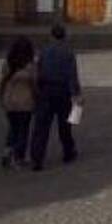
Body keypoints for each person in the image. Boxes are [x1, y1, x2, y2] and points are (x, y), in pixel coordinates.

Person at [30, 23, 82, 170]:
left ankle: (37, 158)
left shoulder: (43, 51)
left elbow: (37, 72)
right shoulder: (68, 53)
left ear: (51, 36)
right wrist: (76, 94)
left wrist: (36, 90)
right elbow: (72, 75)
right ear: (64, 36)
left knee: (41, 126)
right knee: (65, 125)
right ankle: (68, 152)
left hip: (46, 90)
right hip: (63, 91)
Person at [0, 36, 36, 169]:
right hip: (25, 103)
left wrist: (1, 98)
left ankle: (7, 152)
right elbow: (34, 85)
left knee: (13, 129)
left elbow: (2, 83)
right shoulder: (30, 66)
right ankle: (18, 157)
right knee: (23, 131)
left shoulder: (7, 64)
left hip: (9, 101)